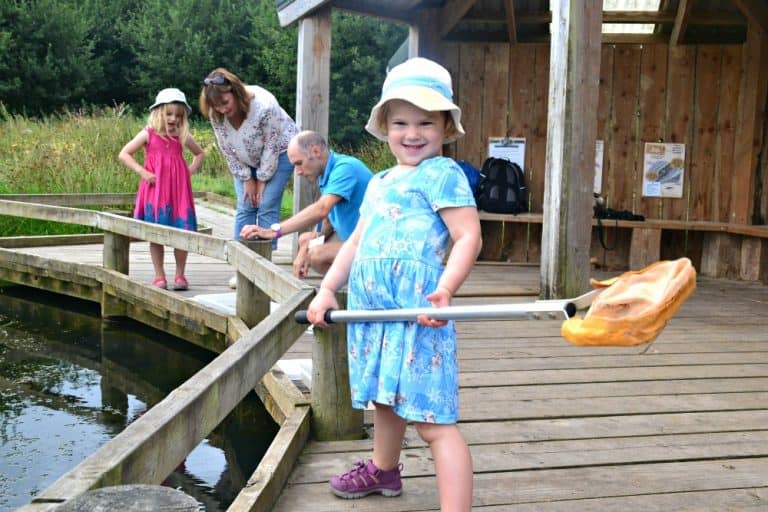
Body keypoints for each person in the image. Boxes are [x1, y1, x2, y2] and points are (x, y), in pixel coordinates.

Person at [305, 57, 482, 511]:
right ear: (385, 126)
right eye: (401, 122)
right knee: (384, 398)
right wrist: (328, 288)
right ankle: (383, 470)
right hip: (373, 312)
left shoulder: (443, 174)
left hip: (420, 313)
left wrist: (446, 290)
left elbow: (468, 237)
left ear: (446, 127)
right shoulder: (381, 182)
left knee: (433, 421)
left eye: (426, 122)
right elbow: (354, 243)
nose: (413, 132)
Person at [199, 68, 298, 288]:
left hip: (279, 153)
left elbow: (272, 145)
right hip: (245, 159)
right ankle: (242, 267)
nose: (223, 109)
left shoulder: (264, 105)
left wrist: (262, 178)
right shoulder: (217, 115)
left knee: (266, 205)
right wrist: (246, 178)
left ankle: (263, 268)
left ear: (234, 91)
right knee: (245, 206)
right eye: (217, 106)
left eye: (225, 102)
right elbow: (226, 148)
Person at [240, 130, 373, 277]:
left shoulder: (346, 168)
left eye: (299, 163)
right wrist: (304, 249)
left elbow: (321, 209)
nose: (297, 172)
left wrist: (273, 232)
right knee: (304, 240)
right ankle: (346, 283)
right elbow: (328, 220)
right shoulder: (330, 172)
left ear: (315, 151)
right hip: (353, 238)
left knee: (317, 254)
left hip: (374, 245)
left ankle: (357, 289)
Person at [118, 88, 204, 291]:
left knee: (181, 231)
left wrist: (187, 172)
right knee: (156, 231)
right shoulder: (148, 134)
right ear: (159, 113)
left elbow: (199, 154)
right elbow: (124, 154)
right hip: (155, 191)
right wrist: (143, 172)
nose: (173, 118)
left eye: (178, 115)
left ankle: (180, 275)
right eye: (169, 113)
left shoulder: (182, 136)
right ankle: (159, 275)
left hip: (178, 192)